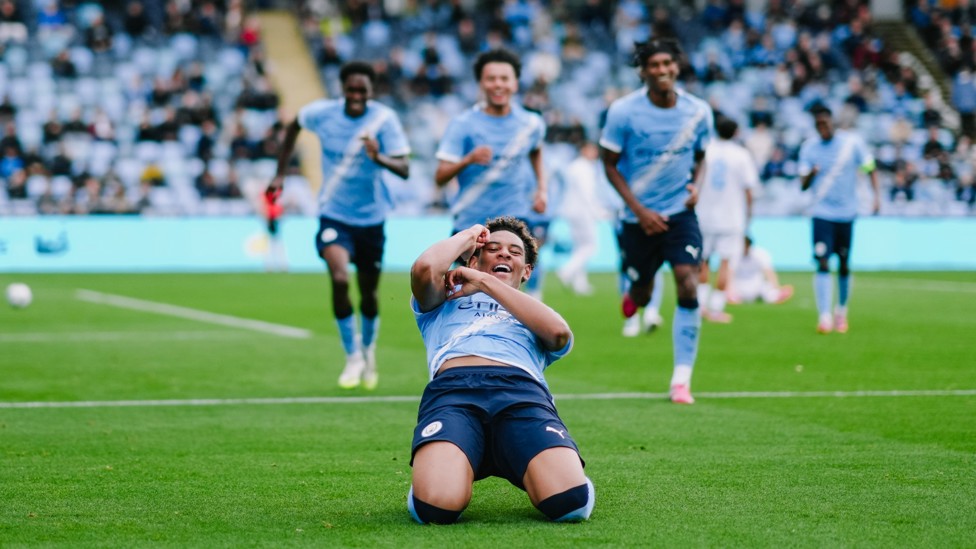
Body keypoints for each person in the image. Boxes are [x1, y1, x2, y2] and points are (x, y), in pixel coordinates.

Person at [407, 216, 594, 525]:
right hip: (454, 395)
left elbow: (559, 334)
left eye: (515, 252)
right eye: (493, 248)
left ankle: (528, 458)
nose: (505, 254)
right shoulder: (442, 301)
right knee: (435, 510)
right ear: (474, 259)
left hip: (521, 396)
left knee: (570, 504)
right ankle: (448, 465)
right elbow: (425, 268)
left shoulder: (531, 309)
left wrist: (484, 281)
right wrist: (469, 234)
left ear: (527, 272)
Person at [266, 61, 410, 389]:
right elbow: (293, 127)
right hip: (334, 214)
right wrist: (280, 172)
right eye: (352, 89)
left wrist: (379, 157)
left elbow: (404, 168)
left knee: (370, 294)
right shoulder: (322, 113)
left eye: (363, 90)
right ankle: (352, 356)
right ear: (342, 88)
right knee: (340, 277)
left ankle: (369, 349)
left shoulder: (384, 120)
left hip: (372, 219)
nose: (357, 95)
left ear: (371, 92)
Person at [600, 39, 713, 404]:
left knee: (688, 283)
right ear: (643, 71)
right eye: (655, 65)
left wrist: (697, 185)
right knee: (644, 292)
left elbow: (701, 158)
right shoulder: (623, 112)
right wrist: (638, 209)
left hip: (680, 214)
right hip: (638, 220)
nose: (662, 70)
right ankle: (634, 297)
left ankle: (681, 380)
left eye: (668, 63)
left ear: (676, 66)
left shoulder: (698, 111)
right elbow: (609, 164)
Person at [434, 48, 547, 235]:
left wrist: (542, 190)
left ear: (515, 84)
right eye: (491, 79)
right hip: (471, 224)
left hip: (516, 221)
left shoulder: (532, 124)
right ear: (481, 83)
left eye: (504, 79)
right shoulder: (462, 124)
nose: (498, 84)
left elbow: (537, 150)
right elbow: (440, 177)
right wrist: (468, 159)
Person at [798, 103, 880, 334]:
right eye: (818, 125)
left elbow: (870, 167)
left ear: (832, 122)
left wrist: (876, 197)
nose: (822, 128)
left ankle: (841, 311)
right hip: (821, 213)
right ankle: (824, 316)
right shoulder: (809, 148)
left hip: (846, 213)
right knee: (822, 261)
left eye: (825, 123)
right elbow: (802, 185)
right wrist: (811, 175)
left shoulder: (851, 144)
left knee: (844, 264)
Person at [696, 115, 760, 324]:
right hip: (731, 217)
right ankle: (715, 309)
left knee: (702, 261)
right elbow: (749, 189)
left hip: (704, 215)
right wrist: (749, 214)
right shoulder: (741, 155)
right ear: (735, 132)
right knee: (725, 263)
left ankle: (700, 306)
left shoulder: (706, 151)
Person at [727, 236, 794, 305]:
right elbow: (730, 273)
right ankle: (733, 297)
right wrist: (730, 290)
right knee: (726, 292)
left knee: (767, 289)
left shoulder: (760, 254)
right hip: (739, 285)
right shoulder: (734, 255)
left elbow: (769, 272)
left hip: (757, 285)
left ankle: (776, 295)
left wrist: (776, 287)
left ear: (749, 245)